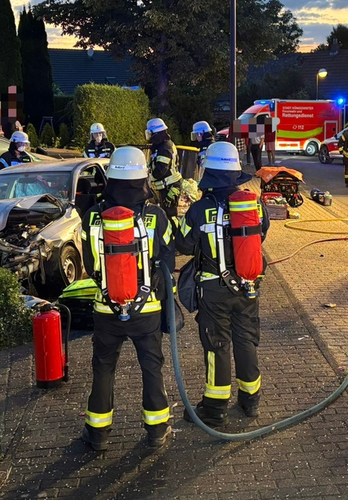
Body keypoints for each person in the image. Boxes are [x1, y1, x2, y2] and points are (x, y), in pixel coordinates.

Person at [79, 146, 175, 451]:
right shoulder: (155, 216)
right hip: (147, 310)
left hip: (105, 310)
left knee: (103, 367)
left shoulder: (92, 216)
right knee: (151, 367)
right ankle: (157, 430)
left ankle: (98, 434)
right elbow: (168, 259)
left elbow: (89, 263)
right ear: (143, 178)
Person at [176, 142, 270, 427]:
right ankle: (250, 400)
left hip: (214, 289)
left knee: (217, 345)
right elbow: (262, 232)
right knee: (246, 339)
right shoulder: (253, 204)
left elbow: (183, 244)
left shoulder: (199, 209)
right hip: (248, 286)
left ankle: (215, 408)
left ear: (210, 173)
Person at [146, 118, 183, 218]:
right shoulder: (160, 146)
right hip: (165, 187)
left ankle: (175, 228)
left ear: (156, 133)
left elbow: (161, 170)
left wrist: (148, 178)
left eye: (150, 133)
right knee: (164, 215)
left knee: (170, 215)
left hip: (170, 187)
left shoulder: (165, 147)